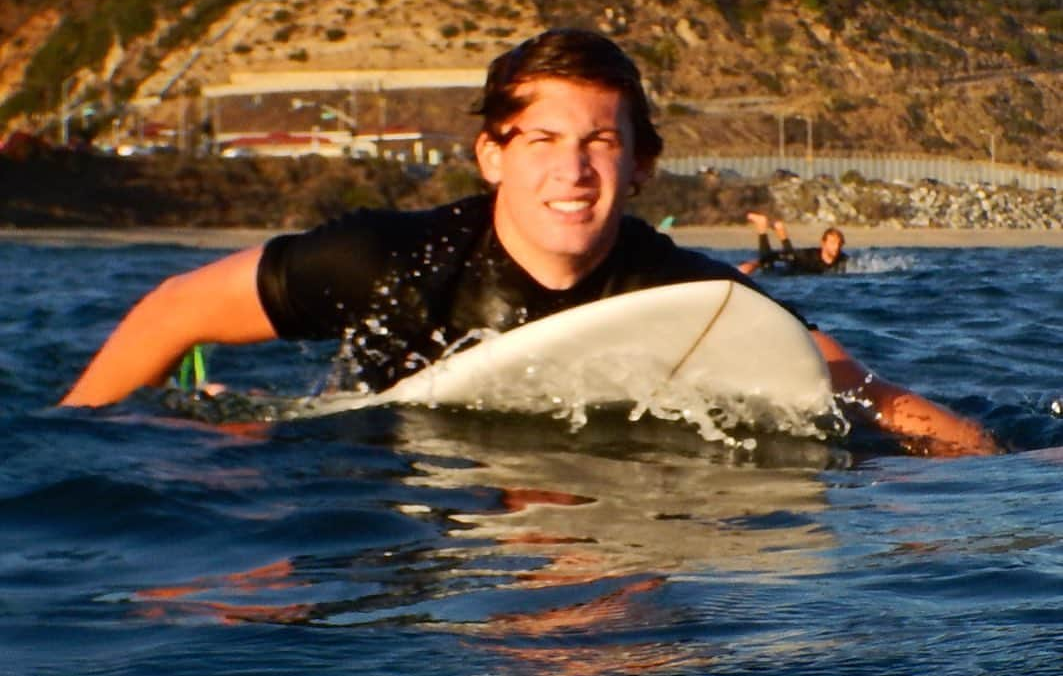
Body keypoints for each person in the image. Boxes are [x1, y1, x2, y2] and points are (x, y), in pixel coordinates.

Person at [61, 29, 995, 456]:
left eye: (599, 142)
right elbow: (179, 306)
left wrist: (1000, 483)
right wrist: (76, 443)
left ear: (638, 165)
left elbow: (853, 388)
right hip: (376, 484)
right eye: (541, 141)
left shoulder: (682, 297)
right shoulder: (391, 261)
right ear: (491, 155)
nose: (572, 170)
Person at [738, 213, 848, 275]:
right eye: (832, 243)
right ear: (823, 243)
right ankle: (762, 226)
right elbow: (777, 256)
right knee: (768, 267)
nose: (836, 247)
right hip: (790, 270)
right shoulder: (809, 255)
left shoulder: (843, 259)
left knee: (790, 255)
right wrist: (754, 264)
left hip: (795, 269)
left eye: (839, 243)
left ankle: (779, 228)